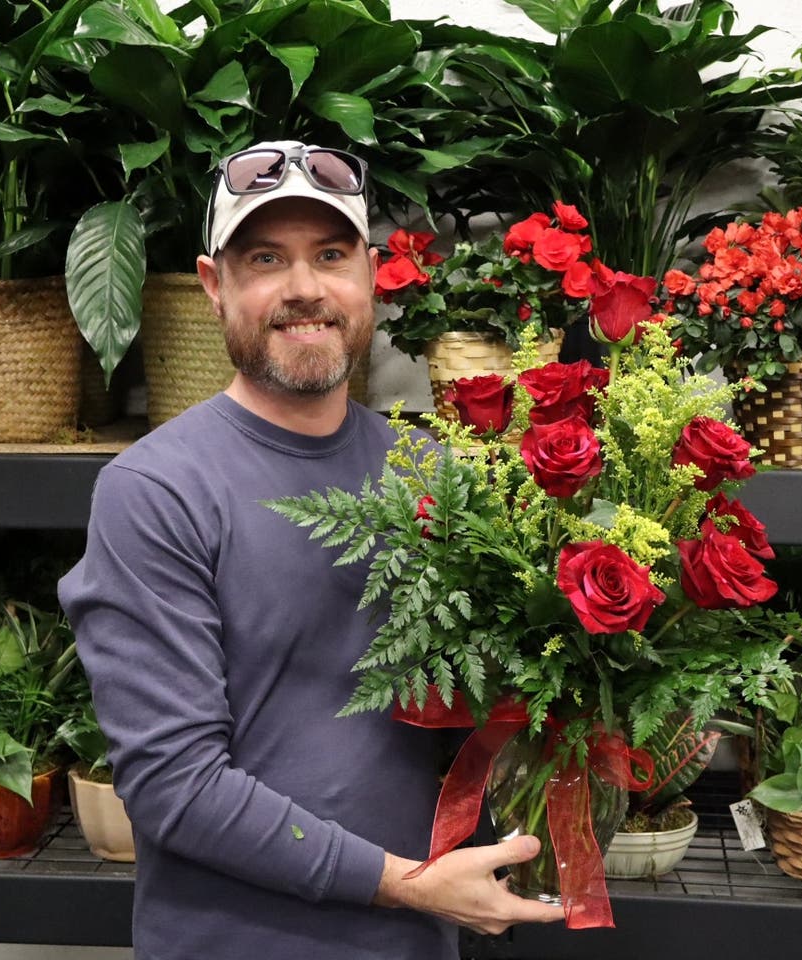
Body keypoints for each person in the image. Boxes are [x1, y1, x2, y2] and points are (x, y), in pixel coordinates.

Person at [58, 140, 563, 960]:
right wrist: (406, 884)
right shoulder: (156, 491)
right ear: (215, 286)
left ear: (369, 276)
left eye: (330, 256)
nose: (304, 289)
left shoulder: (429, 471)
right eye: (266, 258)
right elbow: (174, 787)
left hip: (417, 944)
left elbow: (490, 700)